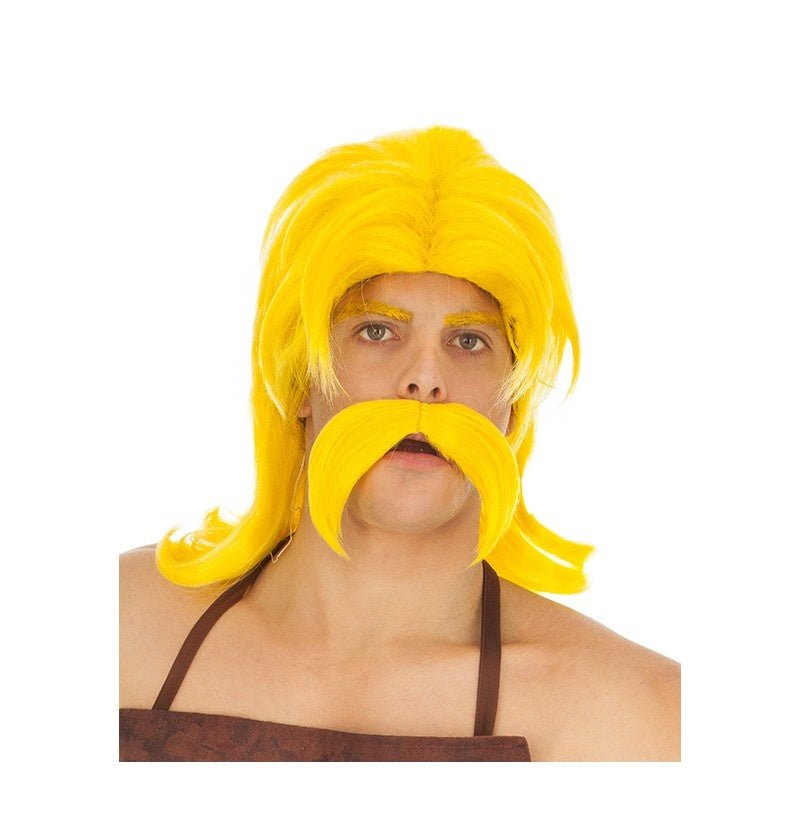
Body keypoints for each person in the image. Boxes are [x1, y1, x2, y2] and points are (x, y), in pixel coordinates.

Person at [119, 126, 680, 761]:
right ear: (300, 380)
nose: (425, 378)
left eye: (469, 341)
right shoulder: (124, 622)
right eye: (377, 331)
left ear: (513, 405)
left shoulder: (631, 714)